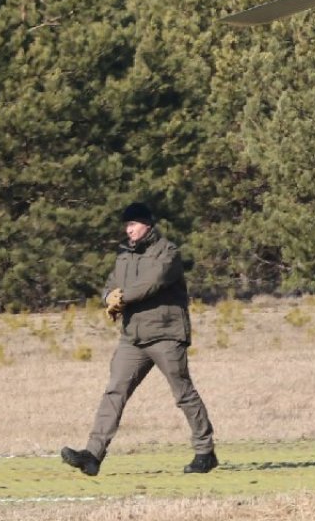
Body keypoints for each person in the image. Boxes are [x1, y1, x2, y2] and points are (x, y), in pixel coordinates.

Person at [61, 202, 216, 476]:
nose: (128, 230)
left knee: (183, 393)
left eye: (132, 224)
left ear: (147, 224)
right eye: (126, 225)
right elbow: (111, 284)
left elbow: (152, 283)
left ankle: (205, 451)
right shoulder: (124, 256)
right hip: (133, 337)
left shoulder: (168, 252)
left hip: (166, 334)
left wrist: (122, 297)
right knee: (114, 392)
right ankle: (92, 455)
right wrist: (108, 297)